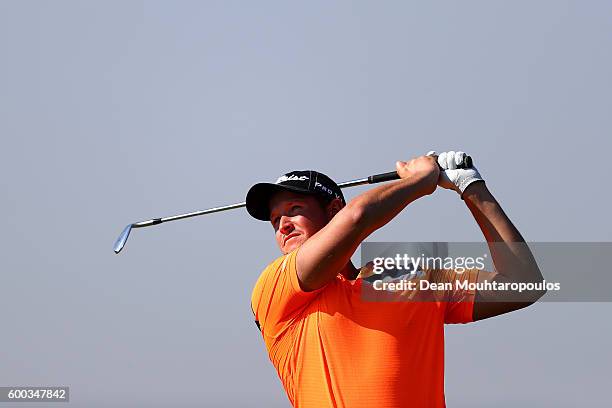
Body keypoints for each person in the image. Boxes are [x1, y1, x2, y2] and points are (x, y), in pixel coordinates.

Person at [245, 151, 545, 408]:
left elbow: (523, 283)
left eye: (294, 211)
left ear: (334, 210)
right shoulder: (275, 287)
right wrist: (420, 181)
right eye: (275, 221)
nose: (283, 226)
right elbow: (358, 216)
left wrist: (470, 186)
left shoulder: (407, 276)